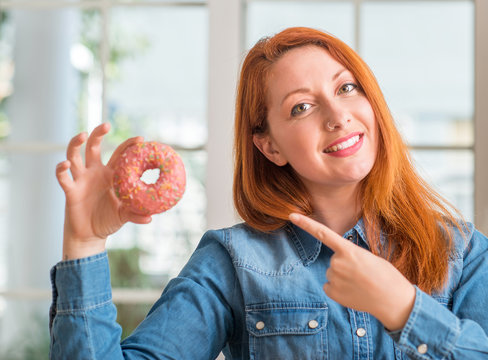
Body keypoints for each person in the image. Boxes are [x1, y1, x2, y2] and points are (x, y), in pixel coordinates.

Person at [50, 27, 488, 359]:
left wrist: (405, 309)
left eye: (346, 88)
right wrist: (85, 243)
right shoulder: (234, 262)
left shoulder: (463, 252)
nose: (337, 115)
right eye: (302, 106)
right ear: (269, 145)